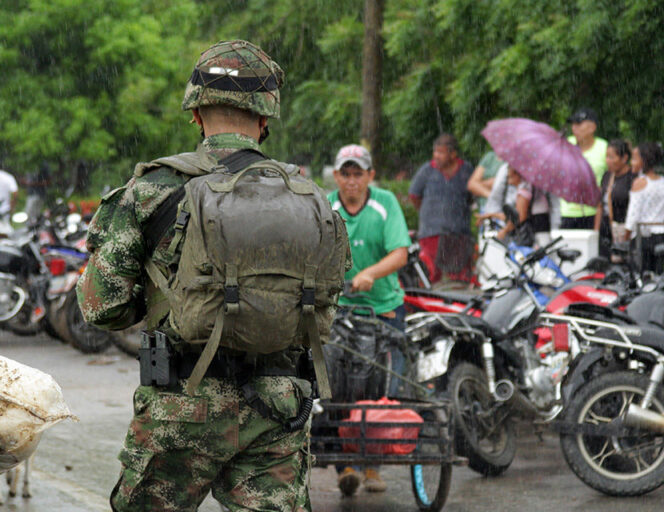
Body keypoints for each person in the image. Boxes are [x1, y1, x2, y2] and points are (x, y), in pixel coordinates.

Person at [77, 40, 329, 512]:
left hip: (181, 404)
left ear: (195, 112)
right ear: (265, 119)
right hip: (278, 404)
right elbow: (322, 305)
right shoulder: (307, 196)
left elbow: (101, 309)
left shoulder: (152, 189)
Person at [327, 144, 411, 496]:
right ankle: (346, 465)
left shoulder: (385, 203)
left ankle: (373, 468)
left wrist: (370, 275)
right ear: (336, 177)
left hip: (383, 311)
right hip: (340, 313)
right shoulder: (325, 205)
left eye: (357, 173)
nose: (351, 181)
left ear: (370, 176)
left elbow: (400, 253)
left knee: (381, 391)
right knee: (339, 389)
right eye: (345, 174)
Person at [409, 134, 474, 283]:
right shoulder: (427, 170)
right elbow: (414, 196)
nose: (436, 156)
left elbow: (471, 196)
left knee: (460, 277)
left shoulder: (466, 170)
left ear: (453, 154)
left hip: (459, 232)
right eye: (435, 152)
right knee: (430, 275)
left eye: (441, 152)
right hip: (432, 231)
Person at [479, 164, 556, 246]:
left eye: (510, 177)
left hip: (537, 230)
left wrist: (504, 230)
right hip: (539, 225)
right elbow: (514, 216)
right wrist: (492, 215)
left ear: (518, 175)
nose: (508, 181)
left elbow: (519, 218)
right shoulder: (527, 187)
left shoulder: (523, 191)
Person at [623, 143, 664, 274]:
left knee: (640, 274)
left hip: (643, 237)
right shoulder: (663, 181)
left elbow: (633, 216)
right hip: (660, 235)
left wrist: (625, 236)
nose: (631, 163)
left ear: (644, 161)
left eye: (634, 159)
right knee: (657, 272)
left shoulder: (640, 183)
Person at [561, 108, 608, 230]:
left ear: (592, 127)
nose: (574, 128)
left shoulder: (604, 148)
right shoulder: (565, 145)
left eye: (578, 124)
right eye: (573, 125)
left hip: (593, 211)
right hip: (566, 211)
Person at [595, 140, 634, 256]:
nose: (608, 161)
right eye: (607, 157)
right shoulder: (607, 176)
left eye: (612, 157)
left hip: (622, 228)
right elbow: (600, 205)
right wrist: (596, 231)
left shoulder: (632, 178)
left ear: (624, 158)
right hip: (606, 227)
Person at [0, 167, 18, 235]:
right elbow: (15, 193)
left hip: (4, 212)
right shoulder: (8, 177)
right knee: (6, 232)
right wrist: (12, 206)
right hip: (5, 210)